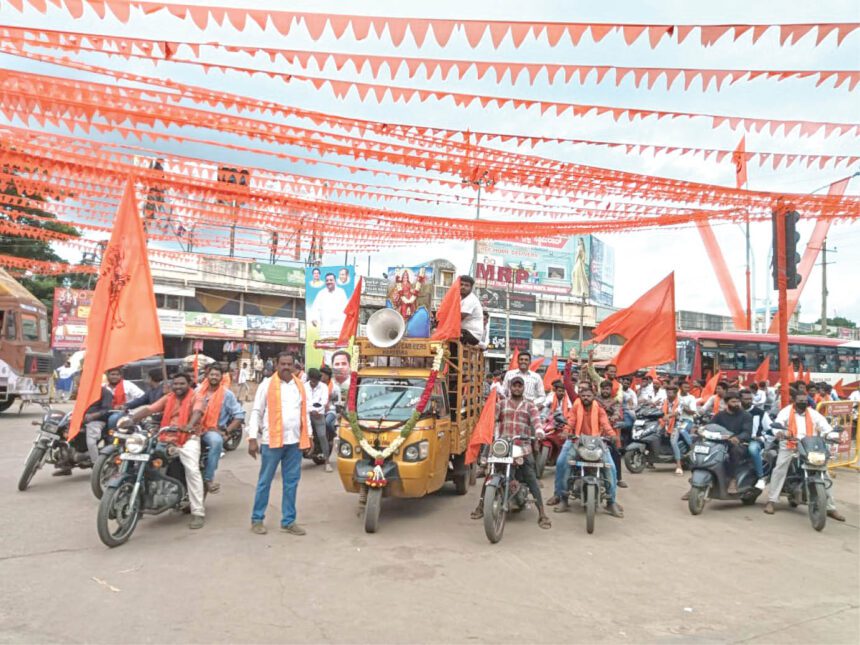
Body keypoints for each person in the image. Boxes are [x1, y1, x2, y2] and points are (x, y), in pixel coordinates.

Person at [469, 375, 551, 529]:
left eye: (520, 386)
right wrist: (484, 427)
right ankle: (481, 506)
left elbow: (536, 421)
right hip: (504, 445)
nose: (517, 388)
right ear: (510, 388)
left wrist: (539, 431)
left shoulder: (529, 405)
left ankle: (542, 513)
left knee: (531, 477)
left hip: (523, 446)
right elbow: (491, 419)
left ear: (523, 388)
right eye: (514, 386)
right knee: (490, 474)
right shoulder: (501, 404)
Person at [128, 372, 205, 529]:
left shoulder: (196, 397)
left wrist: (189, 426)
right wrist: (130, 419)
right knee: (142, 458)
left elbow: (197, 412)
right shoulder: (169, 397)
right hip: (166, 435)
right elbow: (150, 409)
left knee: (192, 471)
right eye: (175, 384)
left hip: (188, 438)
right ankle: (140, 500)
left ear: (189, 384)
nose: (178, 386)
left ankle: (198, 512)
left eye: (181, 384)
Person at [247, 352, 312, 535]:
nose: (286, 367)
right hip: (272, 442)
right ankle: (257, 519)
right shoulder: (267, 384)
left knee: (291, 483)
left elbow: (304, 413)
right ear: (276, 365)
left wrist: (310, 436)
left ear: (294, 365)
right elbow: (256, 412)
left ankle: (288, 521)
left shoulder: (300, 386)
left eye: (289, 364)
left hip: (294, 442)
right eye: (282, 363)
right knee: (265, 481)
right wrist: (252, 438)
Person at [764, 391, 845, 521]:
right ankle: (772, 501)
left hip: (809, 446)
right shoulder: (786, 411)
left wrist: (833, 436)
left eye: (805, 400)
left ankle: (830, 507)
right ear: (794, 400)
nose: (803, 402)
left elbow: (825, 427)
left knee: (825, 474)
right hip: (790, 444)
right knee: (780, 469)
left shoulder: (813, 413)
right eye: (800, 400)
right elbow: (777, 424)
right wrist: (779, 433)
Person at [547, 385, 623, 517]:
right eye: (583, 395)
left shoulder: (599, 409)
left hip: (597, 442)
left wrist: (612, 435)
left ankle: (611, 502)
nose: (586, 398)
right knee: (562, 463)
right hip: (576, 440)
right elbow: (571, 421)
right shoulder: (576, 406)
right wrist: (566, 432)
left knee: (611, 468)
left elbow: (605, 424)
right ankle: (561, 497)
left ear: (593, 396)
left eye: (588, 395)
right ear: (580, 396)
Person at [189, 364, 245, 494]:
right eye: (212, 374)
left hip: (212, 431)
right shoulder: (197, 391)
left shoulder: (227, 394)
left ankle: (209, 479)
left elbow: (239, 415)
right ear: (207, 376)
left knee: (216, 442)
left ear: (221, 378)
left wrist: (226, 432)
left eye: (217, 375)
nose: (214, 377)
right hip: (193, 429)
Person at [83, 366, 144, 463]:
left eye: (116, 375)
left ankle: (111, 440)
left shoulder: (128, 385)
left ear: (120, 376)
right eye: (112, 374)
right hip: (106, 412)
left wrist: (126, 405)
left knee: (113, 419)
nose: (114, 377)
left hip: (124, 413)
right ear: (107, 376)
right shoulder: (103, 386)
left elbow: (142, 396)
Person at [709, 390, 753, 495]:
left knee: (735, 451)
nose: (736, 404)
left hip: (739, 444)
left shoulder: (746, 416)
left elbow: (747, 432)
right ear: (726, 402)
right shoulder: (719, 415)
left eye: (738, 401)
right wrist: (700, 429)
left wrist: (737, 438)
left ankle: (733, 480)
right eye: (733, 402)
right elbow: (710, 426)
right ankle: (697, 483)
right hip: (720, 443)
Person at [596, 379, 626, 488]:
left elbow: (618, 413)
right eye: (603, 389)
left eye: (607, 389)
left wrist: (614, 417)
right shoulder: (595, 400)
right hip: (595, 430)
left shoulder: (615, 402)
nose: (605, 391)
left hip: (609, 432)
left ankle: (619, 479)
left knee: (615, 453)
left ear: (610, 390)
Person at [740, 388, 770, 491]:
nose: (748, 401)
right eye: (745, 399)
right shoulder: (736, 412)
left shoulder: (760, 413)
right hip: (737, 440)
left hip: (754, 441)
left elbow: (770, 430)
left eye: (750, 399)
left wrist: (761, 437)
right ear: (740, 399)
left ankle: (761, 477)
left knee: (752, 449)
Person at [305, 368, 333, 472]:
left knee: (322, 435)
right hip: (306, 414)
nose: (314, 383)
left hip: (318, 415)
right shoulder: (304, 387)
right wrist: (311, 410)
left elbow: (323, 401)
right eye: (313, 381)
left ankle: (327, 462)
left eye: (316, 381)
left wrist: (316, 410)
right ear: (310, 378)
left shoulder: (323, 387)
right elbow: (304, 401)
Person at [309, 272, 349, 339]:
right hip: (325, 326)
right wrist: (314, 319)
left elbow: (346, 308)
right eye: (327, 280)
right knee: (325, 346)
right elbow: (315, 307)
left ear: (335, 281)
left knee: (338, 347)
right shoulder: (321, 293)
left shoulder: (341, 292)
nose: (329, 282)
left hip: (338, 326)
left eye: (331, 280)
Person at [458, 275, 484, 346]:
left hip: (472, 334)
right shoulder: (460, 298)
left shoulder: (470, 299)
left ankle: (450, 357)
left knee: (449, 333)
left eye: (466, 285)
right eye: (461, 284)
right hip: (464, 332)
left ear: (471, 288)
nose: (463, 287)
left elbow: (459, 318)